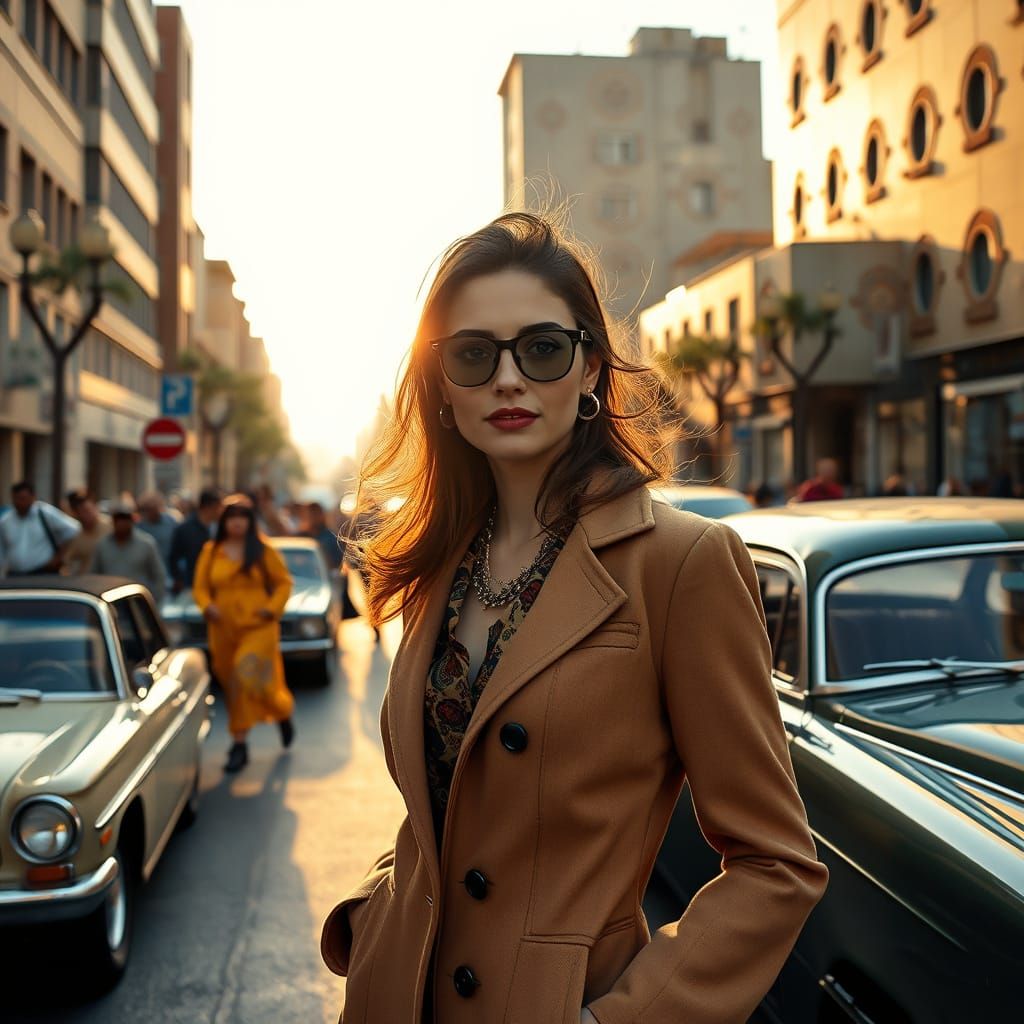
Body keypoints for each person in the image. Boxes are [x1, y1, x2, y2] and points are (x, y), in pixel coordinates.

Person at [320, 213, 827, 1023]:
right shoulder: (441, 559)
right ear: (442, 384)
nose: (509, 380)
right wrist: (370, 912)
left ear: (590, 368)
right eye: (474, 355)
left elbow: (777, 862)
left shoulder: (680, 562)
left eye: (543, 348)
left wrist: (618, 1020)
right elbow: (447, 807)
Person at [192, 494, 295, 773]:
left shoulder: (263, 550)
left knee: (244, 673)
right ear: (224, 521)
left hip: (259, 626)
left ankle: (260, 728)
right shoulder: (211, 551)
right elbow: (200, 587)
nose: (237, 523)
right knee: (233, 683)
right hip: (222, 628)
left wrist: (271, 609)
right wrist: (207, 605)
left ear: (250, 522)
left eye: (243, 517)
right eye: (232, 517)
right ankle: (263, 727)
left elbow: (284, 583)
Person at [90, 499, 166, 603]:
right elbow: (93, 574)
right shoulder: (103, 545)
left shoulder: (146, 543)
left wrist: (153, 600)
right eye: (118, 519)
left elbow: (159, 575)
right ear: (113, 521)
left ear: (132, 520)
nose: (122, 523)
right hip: (110, 602)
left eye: (125, 519)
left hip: (137, 604)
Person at [0, 480, 80, 576]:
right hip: (14, 575)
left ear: (33, 497)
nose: (19, 502)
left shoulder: (45, 513)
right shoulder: (6, 521)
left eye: (23, 498)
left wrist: (59, 557)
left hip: (43, 573)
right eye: (16, 498)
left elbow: (74, 530)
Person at [168, 488, 222, 593]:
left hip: (215, 585)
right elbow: (173, 558)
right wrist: (179, 579)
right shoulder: (184, 529)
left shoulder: (220, 528)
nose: (221, 511)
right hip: (191, 587)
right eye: (219, 507)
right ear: (210, 507)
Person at [64, 488, 112, 574]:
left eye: (89, 509)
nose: (89, 514)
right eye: (83, 511)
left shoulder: (110, 526)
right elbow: (69, 563)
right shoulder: (76, 537)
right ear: (76, 513)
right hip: (89, 581)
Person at [135, 490, 180, 572]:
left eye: (153, 507)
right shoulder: (139, 527)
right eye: (147, 509)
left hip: (169, 568)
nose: (151, 512)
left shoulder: (170, 522)